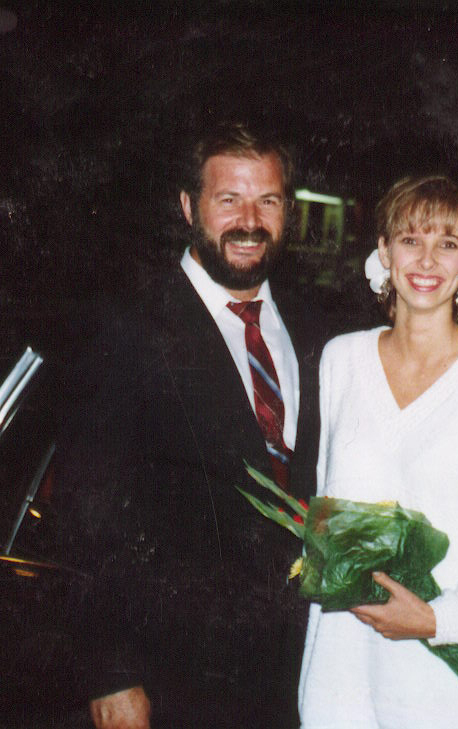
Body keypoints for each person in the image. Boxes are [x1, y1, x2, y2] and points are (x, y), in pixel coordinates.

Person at [59, 122, 321, 729]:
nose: (250, 221)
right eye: (229, 199)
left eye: (268, 201)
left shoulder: (316, 328)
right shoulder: (129, 325)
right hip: (174, 680)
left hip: (295, 679)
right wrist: (111, 672)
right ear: (187, 206)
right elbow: (84, 510)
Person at [297, 175, 458, 729]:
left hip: (450, 684)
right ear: (384, 250)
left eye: (448, 243)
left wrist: (437, 619)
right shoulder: (341, 361)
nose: (428, 260)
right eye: (411, 239)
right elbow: (327, 524)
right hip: (342, 680)